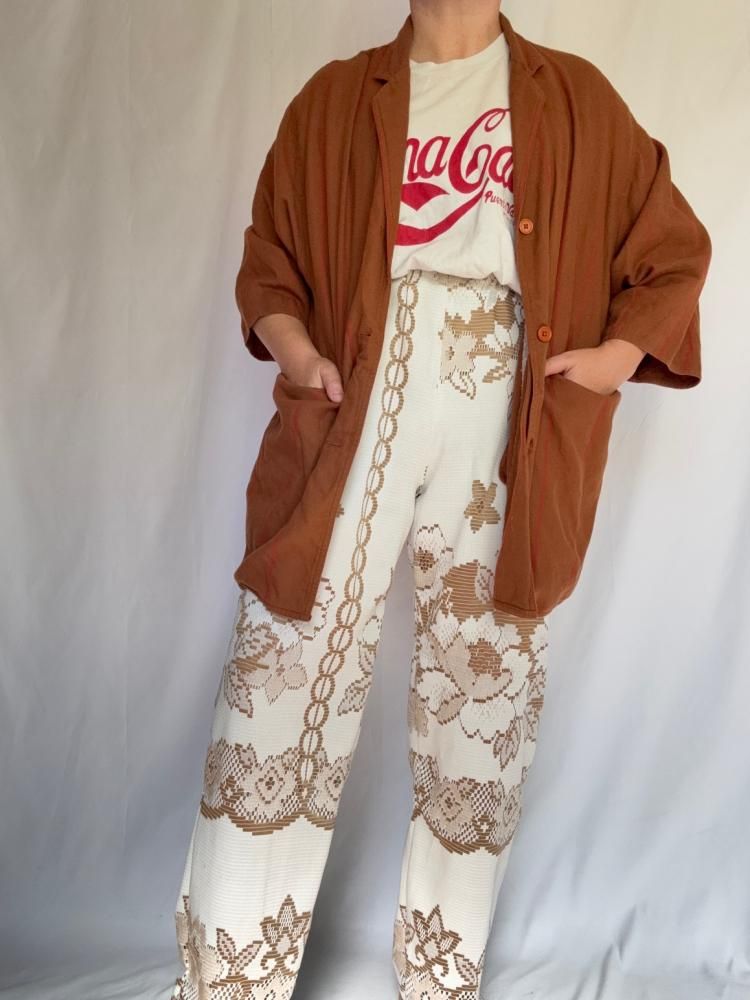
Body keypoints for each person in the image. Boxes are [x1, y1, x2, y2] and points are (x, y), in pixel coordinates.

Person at [171, 2, 711, 998]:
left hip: (505, 406)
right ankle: (229, 978)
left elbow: (672, 248)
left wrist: (615, 357)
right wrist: (297, 351)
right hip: (357, 394)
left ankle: (439, 974)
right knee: (287, 660)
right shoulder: (337, 100)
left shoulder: (575, 100)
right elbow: (270, 259)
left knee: (484, 679)